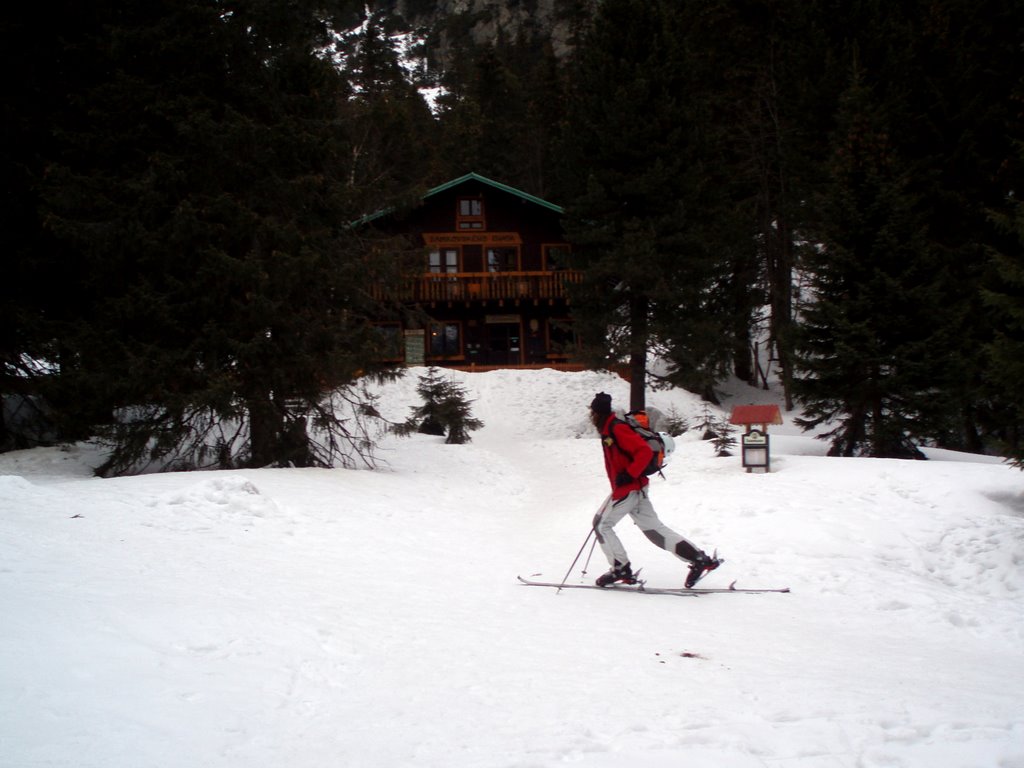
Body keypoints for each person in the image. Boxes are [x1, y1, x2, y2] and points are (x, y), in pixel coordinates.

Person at [588, 392, 721, 588]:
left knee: (601, 525)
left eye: (592, 412)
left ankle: (620, 569)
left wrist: (629, 474)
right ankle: (699, 559)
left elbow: (642, 451)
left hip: (628, 489)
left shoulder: (616, 428)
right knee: (655, 531)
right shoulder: (610, 428)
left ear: (597, 413)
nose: (590, 416)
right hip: (636, 488)